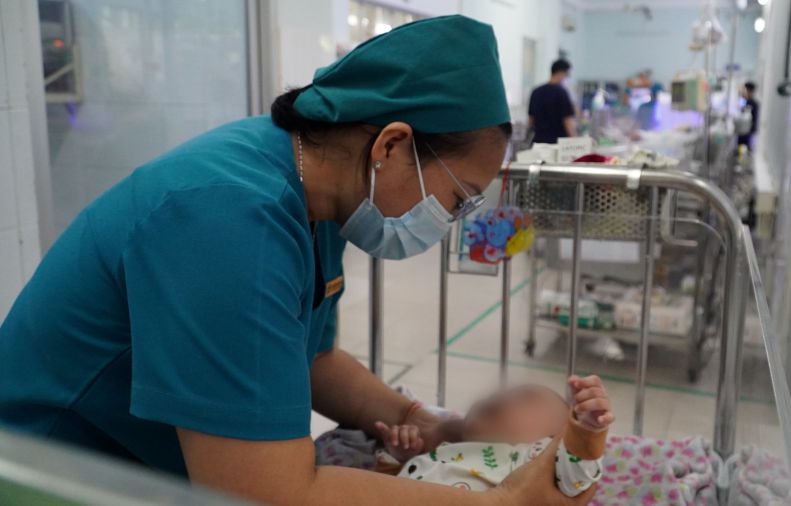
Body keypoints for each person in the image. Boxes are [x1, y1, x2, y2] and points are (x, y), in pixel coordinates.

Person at [0, 16, 594, 506]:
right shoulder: (228, 223)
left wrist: (422, 419)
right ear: (390, 146)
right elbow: (270, 494)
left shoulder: (319, 188)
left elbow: (310, 356)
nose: (454, 218)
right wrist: (502, 500)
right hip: (55, 470)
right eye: (458, 197)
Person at [376, 375, 614, 496]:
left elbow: (577, 474)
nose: (504, 396)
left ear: (552, 440)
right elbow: (383, 488)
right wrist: (399, 458)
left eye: (527, 397)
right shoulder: (449, 452)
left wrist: (586, 431)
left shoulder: (534, 462)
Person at [528, 59, 577, 144]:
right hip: (557, 144)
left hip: (538, 143)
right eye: (567, 75)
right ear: (561, 73)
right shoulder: (561, 93)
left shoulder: (536, 91)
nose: (567, 78)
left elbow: (530, 120)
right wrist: (576, 142)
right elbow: (568, 122)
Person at [738, 81, 759, 149]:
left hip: (749, 130)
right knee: (740, 147)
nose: (746, 92)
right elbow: (740, 111)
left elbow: (755, 118)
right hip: (742, 129)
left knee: (747, 147)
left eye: (747, 90)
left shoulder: (754, 103)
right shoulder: (744, 101)